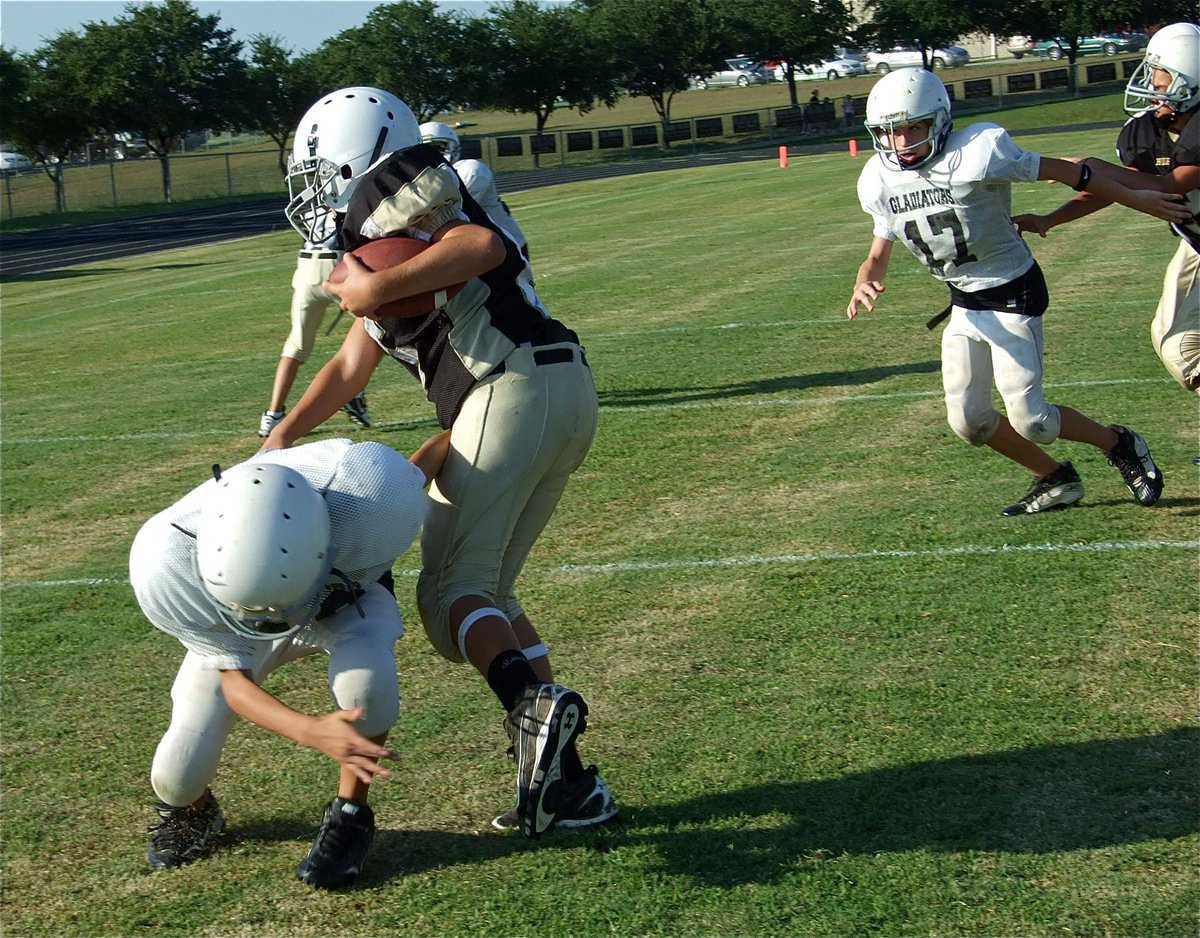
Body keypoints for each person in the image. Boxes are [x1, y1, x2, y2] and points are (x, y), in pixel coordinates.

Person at [265, 87, 616, 838]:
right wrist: (282, 434)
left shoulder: (406, 181)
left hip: (506, 385)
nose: (318, 191)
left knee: (449, 593)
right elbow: (351, 367)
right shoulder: (381, 222)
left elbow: (479, 247)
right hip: (557, 384)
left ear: (360, 149)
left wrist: (372, 285)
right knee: (490, 592)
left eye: (322, 170)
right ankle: (571, 785)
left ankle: (536, 706)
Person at [846, 69, 1187, 516]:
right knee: (969, 421)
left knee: (1035, 421)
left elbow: (1073, 173)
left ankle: (1119, 443)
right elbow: (878, 249)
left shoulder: (979, 151)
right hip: (965, 301)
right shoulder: (878, 179)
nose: (902, 141)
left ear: (941, 121)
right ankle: (1055, 478)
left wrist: (1137, 199)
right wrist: (865, 275)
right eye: (892, 131)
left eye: (914, 127)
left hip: (1012, 292)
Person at [130, 431, 450, 889]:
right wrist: (310, 730)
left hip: (341, 603)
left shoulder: (370, 498)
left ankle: (350, 814)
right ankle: (195, 812)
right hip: (234, 625)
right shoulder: (168, 561)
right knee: (176, 775)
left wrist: (475, 424)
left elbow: (420, 468)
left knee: (367, 680)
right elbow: (233, 681)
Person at [1013, 22, 1199, 400]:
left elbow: (1169, 186)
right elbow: (1121, 188)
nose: (1150, 91)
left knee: (1182, 349)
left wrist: (1086, 167)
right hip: (1195, 243)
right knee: (1173, 342)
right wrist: (1051, 219)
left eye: (1160, 85)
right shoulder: (1146, 133)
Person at [419, 121, 532, 269]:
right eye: (425, 150)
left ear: (453, 148)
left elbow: (445, 211)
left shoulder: (470, 170)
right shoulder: (422, 184)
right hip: (476, 249)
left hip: (506, 247)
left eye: (437, 148)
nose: (432, 155)